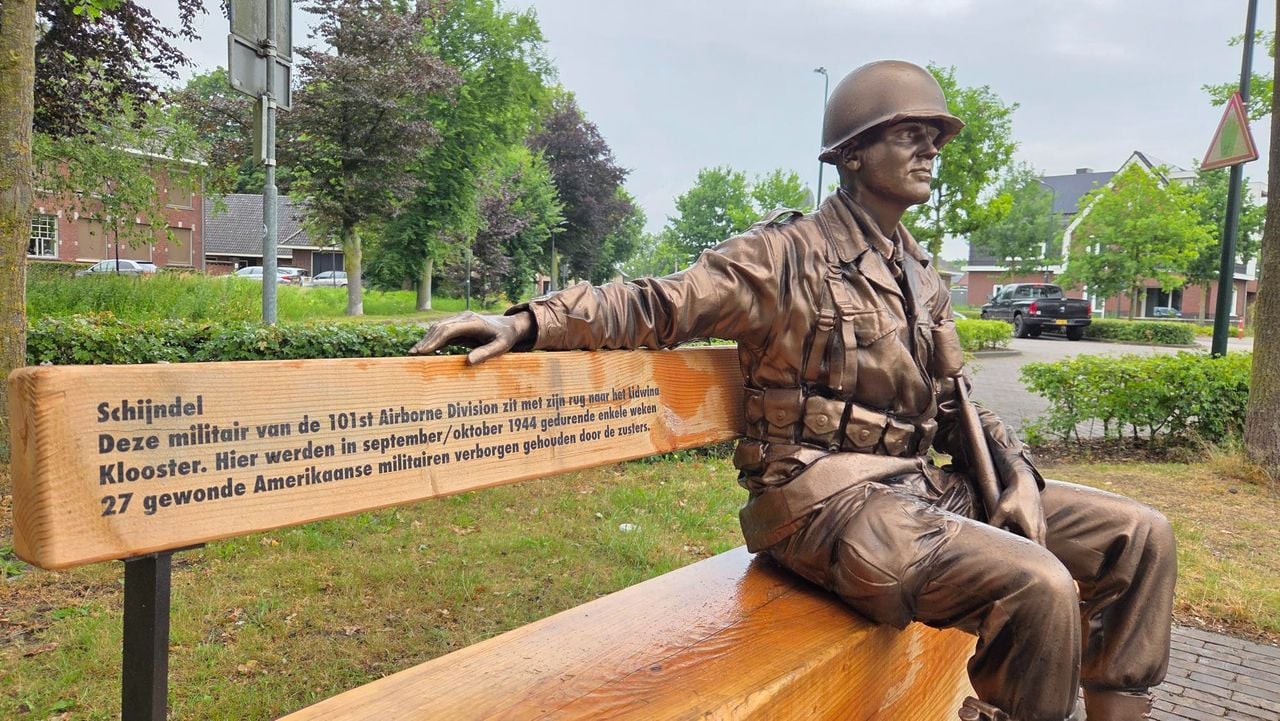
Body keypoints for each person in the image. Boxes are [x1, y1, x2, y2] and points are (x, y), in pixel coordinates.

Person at [410, 60, 1175, 721]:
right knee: (1037, 584)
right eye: (909, 133)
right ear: (851, 153)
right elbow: (658, 303)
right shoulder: (784, 257)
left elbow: (957, 404)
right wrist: (531, 321)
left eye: (934, 136)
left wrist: (1020, 481)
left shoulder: (918, 273)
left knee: (1139, 536)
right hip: (821, 506)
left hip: (917, 494)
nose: (930, 149)